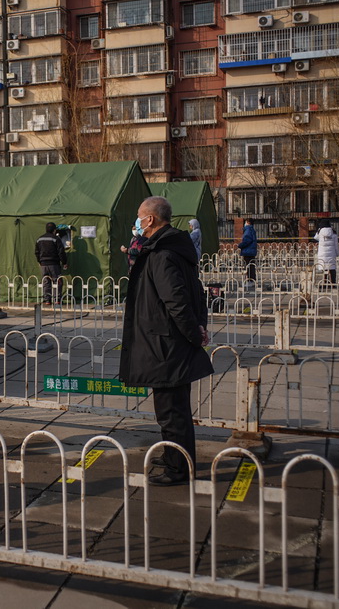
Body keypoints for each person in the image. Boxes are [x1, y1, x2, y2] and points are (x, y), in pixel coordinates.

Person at [120, 197, 213, 486]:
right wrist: (198, 325)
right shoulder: (171, 247)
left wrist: (193, 332)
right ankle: (176, 456)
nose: (136, 221)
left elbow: (177, 301)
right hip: (168, 342)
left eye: (139, 216)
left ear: (150, 220)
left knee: (172, 414)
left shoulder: (162, 254)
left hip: (167, 345)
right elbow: (196, 292)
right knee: (172, 410)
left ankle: (178, 469)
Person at [34, 222, 67, 305]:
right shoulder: (56, 239)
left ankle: (47, 299)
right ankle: (57, 299)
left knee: (46, 281)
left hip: (43, 264)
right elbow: (61, 252)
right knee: (57, 281)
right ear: (54, 230)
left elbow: (37, 252)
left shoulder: (39, 239)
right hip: (54, 264)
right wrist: (64, 262)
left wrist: (39, 261)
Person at [313, 219, 339, 285]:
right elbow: (336, 245)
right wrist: (337, 253)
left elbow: (315, 238)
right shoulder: (333, 233)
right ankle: (333, 283)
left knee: (324, 269)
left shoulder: (320, 233)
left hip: (322, 254)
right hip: (331, 254)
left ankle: (325, 283)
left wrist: (319, 230)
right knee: (332, 268)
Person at [237, 219, 258, 285]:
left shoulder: (248, 230)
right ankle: (252, 280)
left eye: (245, 222)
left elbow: (247, 240)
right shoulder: (252, 230)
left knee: (248, 267)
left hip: (247, 251)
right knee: (251, 266)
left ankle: (250, 281)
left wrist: (240, 245)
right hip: (251, 251)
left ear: (248, 223)